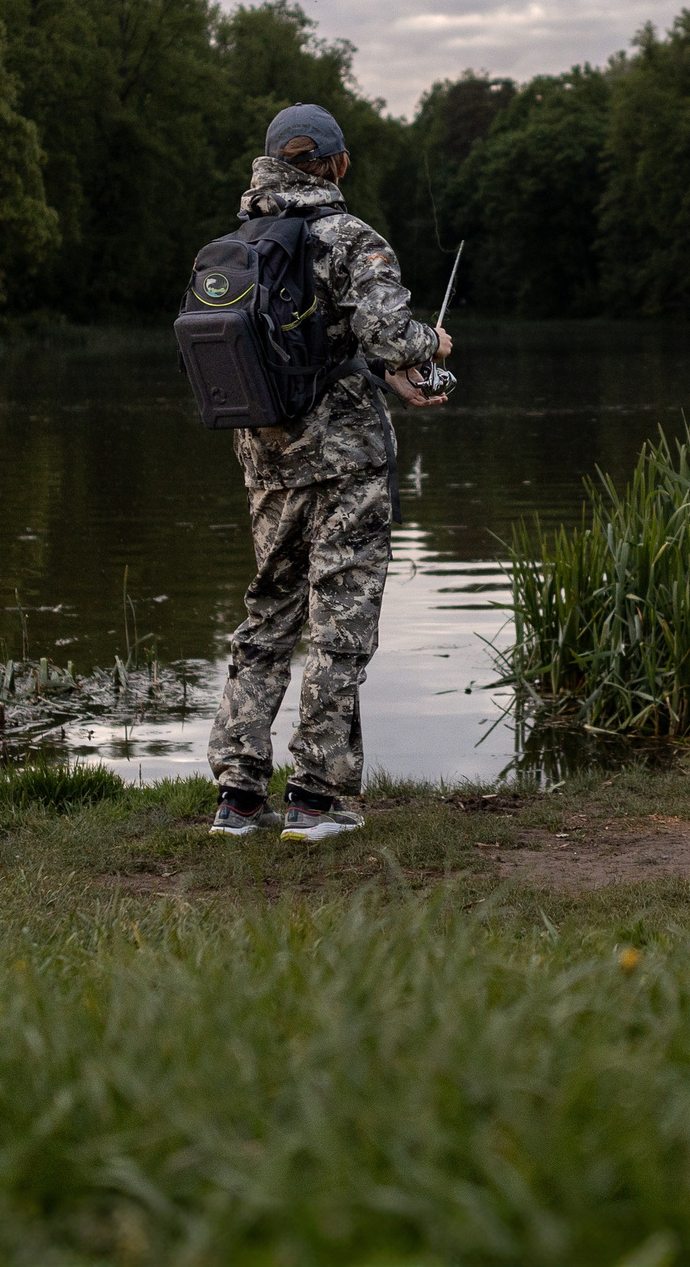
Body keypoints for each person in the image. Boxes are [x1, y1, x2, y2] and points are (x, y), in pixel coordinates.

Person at [204, 103, 454, 842]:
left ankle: (238, 798)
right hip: (347, 466)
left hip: (267, 460)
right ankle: (317, 798)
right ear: (336, 164)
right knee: (339, 624)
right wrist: (429, 343)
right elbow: (388, 330)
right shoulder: (349, 236)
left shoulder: (238, 243)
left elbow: (326, 346)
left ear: (273, 162)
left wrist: (387, 374)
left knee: (268, 616)